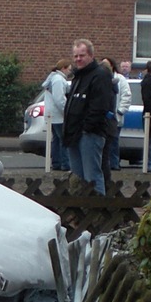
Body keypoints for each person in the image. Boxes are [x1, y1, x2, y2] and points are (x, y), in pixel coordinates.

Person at [62, 39, 116, 194]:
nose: (78, 59)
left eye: (82, 55)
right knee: (77, 178)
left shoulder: (100, 75)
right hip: (73, 133)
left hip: (89, 134)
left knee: (92, 176)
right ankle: (81, 213)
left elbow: (99, 106)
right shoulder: (78, 76)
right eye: (76, 56)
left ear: (91, 55)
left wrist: (87, 128)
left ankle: (97, 213)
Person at [40, 57, 71, 171]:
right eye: (69, 69)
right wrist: (66, 111)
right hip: (58, 115)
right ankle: (65, 164)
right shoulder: (58, 80)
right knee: (63, 139)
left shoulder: (53, 78)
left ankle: (56, 163)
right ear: (64, 68)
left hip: (52, 115)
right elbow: (59, 99)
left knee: (56, 140)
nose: (70, 72)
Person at [102, 57, 131, 171]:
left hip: (115, 116)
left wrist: (119, 111)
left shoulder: (120, 79)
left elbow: (126, 96)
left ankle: (114, 163)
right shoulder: (101, 78)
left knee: (113, 141)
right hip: (103, 116)